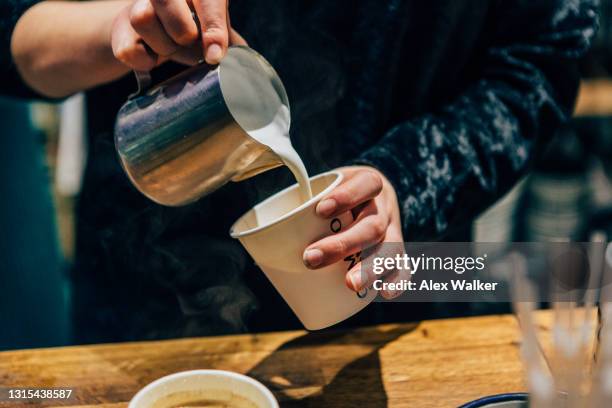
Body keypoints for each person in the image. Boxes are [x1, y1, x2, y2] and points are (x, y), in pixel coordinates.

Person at [0, 0, 598, 343]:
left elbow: (545, 58)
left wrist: (409, 178)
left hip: (401, 291)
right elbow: (12, 29)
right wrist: (122, 28)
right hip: (149, 292)